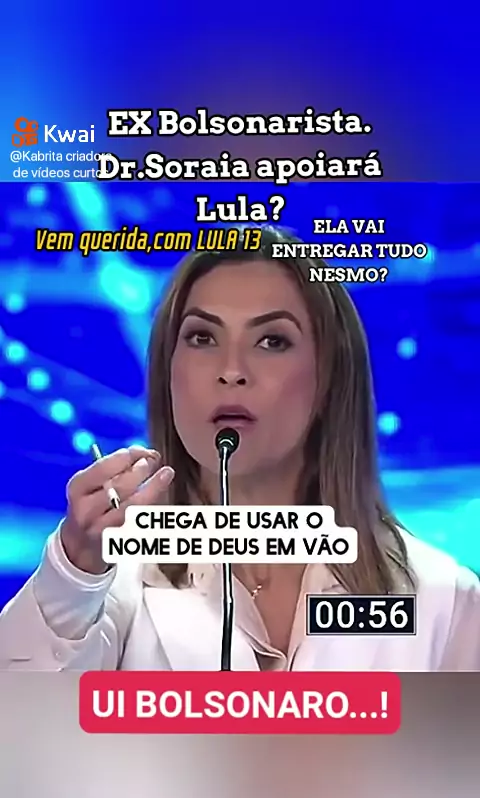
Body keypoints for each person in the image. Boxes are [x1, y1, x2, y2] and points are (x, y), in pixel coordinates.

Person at [0, 226, 479, 671]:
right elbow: (26, 719)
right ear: (169, 374)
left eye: (272, 341)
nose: (230, 371)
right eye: (202, 337)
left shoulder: (441, 600)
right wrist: (75, 572)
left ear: (330, 378)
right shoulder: (108, 585)